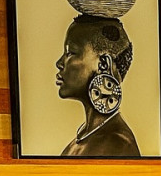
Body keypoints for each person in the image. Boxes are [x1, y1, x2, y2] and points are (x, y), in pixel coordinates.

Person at [55, 14, 142, 158]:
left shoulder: (118, 145)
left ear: (103, 65)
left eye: (70, 53)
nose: (59, 63)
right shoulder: (79, 140)